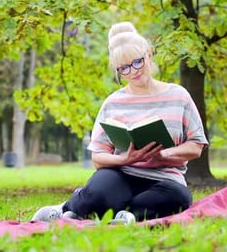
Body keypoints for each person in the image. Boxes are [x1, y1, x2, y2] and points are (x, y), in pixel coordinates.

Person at [32, 22, 208, 224]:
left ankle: (123, 214)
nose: (133, 71)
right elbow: (98, 158)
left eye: (137, 62)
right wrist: (126, 159)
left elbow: (196, 146)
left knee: (178, 197)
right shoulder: (113, 103)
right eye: (124, 68)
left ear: (149, 55)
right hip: (122, 174)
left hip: (165, 179)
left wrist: (164, 154)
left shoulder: (178, 95)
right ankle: (67, 208)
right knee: (99, 192)